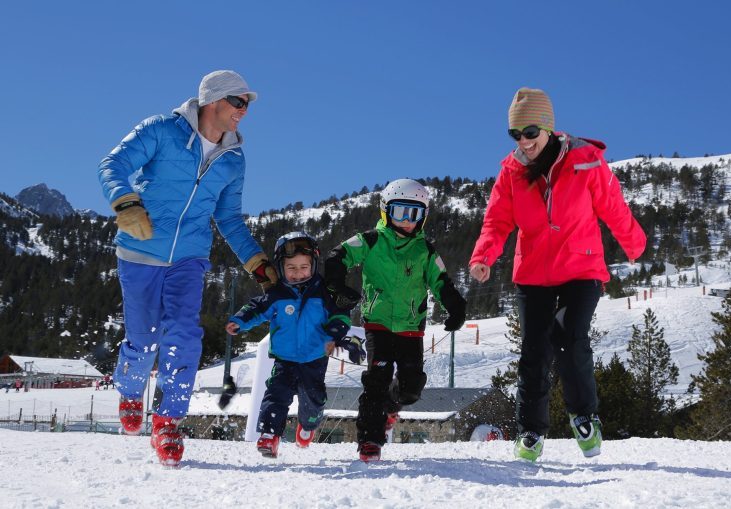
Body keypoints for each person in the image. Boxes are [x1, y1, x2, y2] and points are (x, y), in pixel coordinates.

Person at [97, 70, 277, 467]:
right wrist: (125, 202)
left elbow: (229, 218)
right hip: (140, 250)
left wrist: (257, 262)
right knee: (143, 339)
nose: (243, 112)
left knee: (183, 335)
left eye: (247, 105)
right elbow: (112, 164)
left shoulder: (233, 159)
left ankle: (168, 423)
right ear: (213, 100)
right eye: (238, 103)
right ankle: (130, 390)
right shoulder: (161, 131)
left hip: (190, 258)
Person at [469, 87, 646, 462]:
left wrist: (635, 244)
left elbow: (612, 206)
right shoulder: (511, 171)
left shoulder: (585, 160)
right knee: (534, 351)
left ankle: (584, 417)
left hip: (581, 268)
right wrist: (483, 255)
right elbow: (497, 221)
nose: (524, 142)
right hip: (532, 273)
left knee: (569, 337)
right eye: (515, 134)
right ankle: (530, 431)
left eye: (530, 132)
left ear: (548, 127)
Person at [325, 178, 467, 462]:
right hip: (378, 324)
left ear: (422, 218)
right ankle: (370, 440)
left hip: (411, 328)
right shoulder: (372, 240)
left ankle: (390, 405)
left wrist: (455, 306)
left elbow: (441, 281)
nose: (406, 222)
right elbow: (338, 256)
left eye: (413, 215)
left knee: (411, 388)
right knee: (376, 380)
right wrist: (338, 284)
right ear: (385, 212)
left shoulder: (425, 250)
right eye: (400, 212)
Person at [226, 232, 363, 458]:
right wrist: (240, 321)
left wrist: (334, 332)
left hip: (314, 359)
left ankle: (308, 426)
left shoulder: (324, 292)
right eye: (291, 268)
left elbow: (341, 315)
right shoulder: (277, 294)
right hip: (285, 359)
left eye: (303, 267)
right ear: (281, 268)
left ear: (313, 265)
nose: (298, 273)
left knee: (313, 401)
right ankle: (270, 436)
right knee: (276, 396)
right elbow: (257, 308)